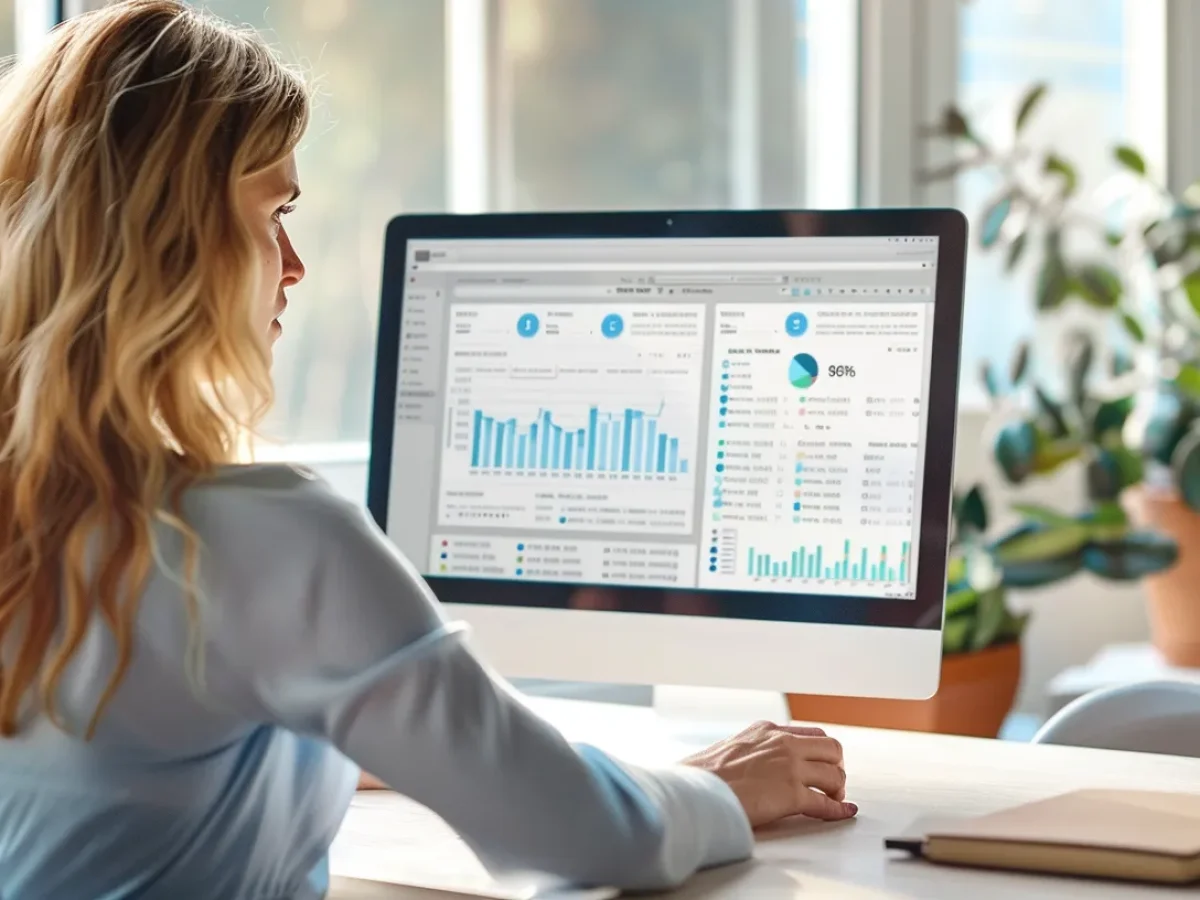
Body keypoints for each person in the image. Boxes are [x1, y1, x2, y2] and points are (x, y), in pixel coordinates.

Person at [0, 2, 856, 898]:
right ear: (171, 239)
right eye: (271, 211)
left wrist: (419, 749)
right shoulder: (259, 536)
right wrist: (717, 787)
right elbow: (581, 839)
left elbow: (155, 763)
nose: (293, 264)